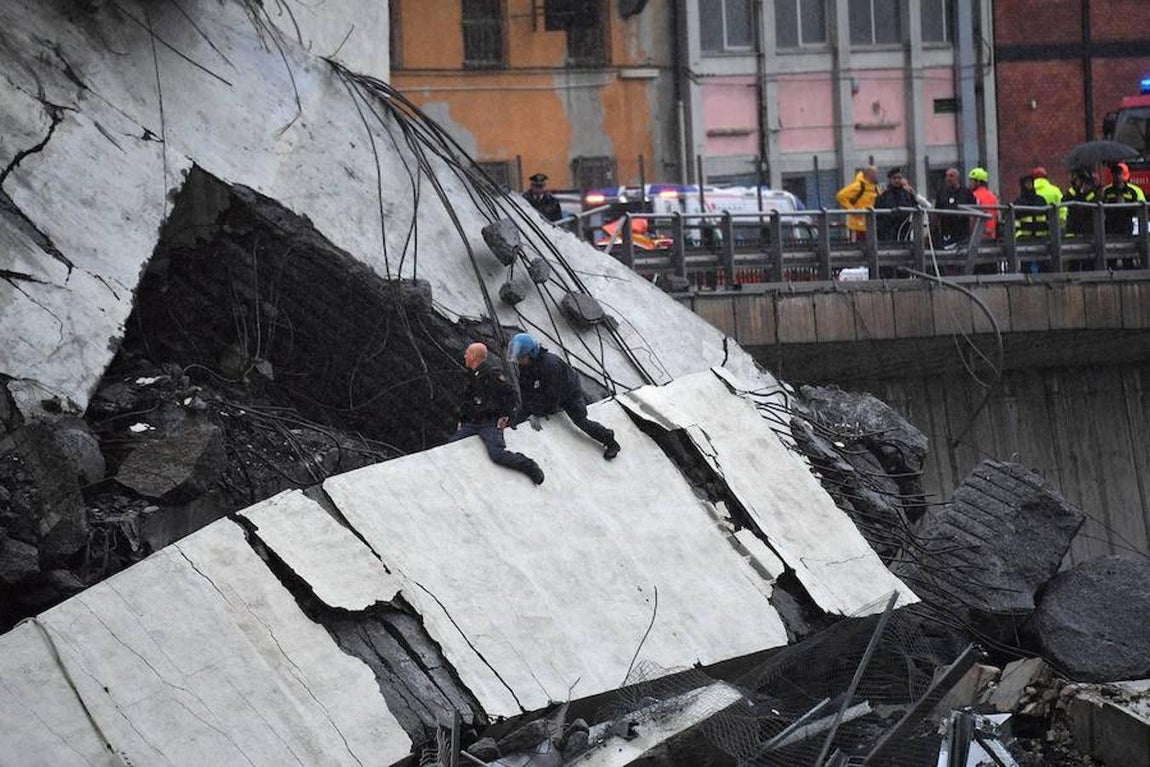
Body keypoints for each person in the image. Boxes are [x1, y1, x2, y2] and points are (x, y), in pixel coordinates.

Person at [508, 333, 621, 460]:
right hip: (544, 389)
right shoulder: (526, 365)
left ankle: (610, 441)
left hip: (568, 393)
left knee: (581, 421)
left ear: (531, 354)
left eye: (521, 357)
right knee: (520, 413)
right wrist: (525, 408)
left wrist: (537, 413)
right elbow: (525, 387)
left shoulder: (550, 365)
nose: (519, 361)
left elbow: (552, 396)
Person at [450, 342, 545, 485]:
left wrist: (506, 416)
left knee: (496, 454)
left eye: (467, 353)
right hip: (474, 421)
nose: (465, 356)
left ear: (474, 356)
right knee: (452, 444)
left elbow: (511, 395)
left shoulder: (491, 374)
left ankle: (528, 465)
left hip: (489, 422)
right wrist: (462, 419)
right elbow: (468, 399)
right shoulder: (471, 374)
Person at [932, 167, 978, 248]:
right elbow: (936, 214)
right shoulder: (942, 193)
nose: (948, 179)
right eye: (947, 176)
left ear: (957, 178)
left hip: (962, 235)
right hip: (946, 234)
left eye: (951, 176)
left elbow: (972, 216)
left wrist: (972, 235)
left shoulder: (966, 193)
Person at [873, 167, 920, 242]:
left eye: (899, 178)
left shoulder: (907, 194)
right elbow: (878, 214)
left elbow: (916, 208)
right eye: (894, 178)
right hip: (888, 231)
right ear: (890, 179)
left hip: (903, 230)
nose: (897, 180)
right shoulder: (883, 195)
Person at [835, 166, 879, 242]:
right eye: (874, 173)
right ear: (869, 174)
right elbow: (841, 196)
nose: (876, 175)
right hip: (857, 225)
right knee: (857, 247)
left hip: (871, 225)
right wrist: (853, 210)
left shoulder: (875, 187)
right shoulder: (858, 186)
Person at [1101, 162, 1145, 237]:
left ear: (1122, 175)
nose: (1117, 176)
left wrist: (1125, 206)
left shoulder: (1131, 192)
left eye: (1119, 174)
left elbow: (1136, 210)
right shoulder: (1107, 191)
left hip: (1126, 225)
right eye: (1115, 174)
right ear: (1112, 175)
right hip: (1111, 226)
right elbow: (1102, 209)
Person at [1064, 168, 1098, 239]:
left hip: (1087, 229)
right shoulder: (1071, 191)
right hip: (1073, 226)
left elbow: (1087, 208)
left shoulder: (1091, 194)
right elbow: (1066, 202)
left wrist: (1082, 193)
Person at [967, 167, 999, 240]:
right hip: (992, 236)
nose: (970, 184)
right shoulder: (993, 197)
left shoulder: (974, 196)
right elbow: (996, 216)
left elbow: (972, 218)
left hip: (978, 236)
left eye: (971, 181)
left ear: (978, 182)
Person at [1031, 166, 1066, 230]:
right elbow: (1063, 209)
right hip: (1052, 230)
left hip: (1031, 230)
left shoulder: (1029, 191)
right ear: (1046, 177)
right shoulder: (1055, 190)